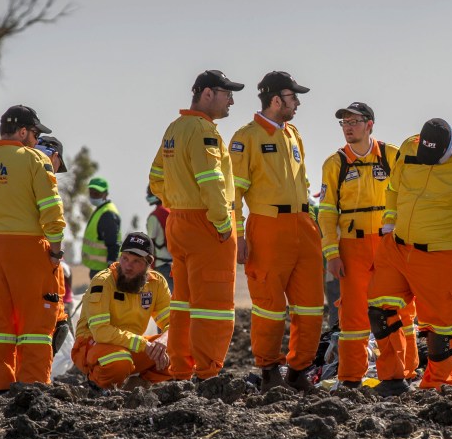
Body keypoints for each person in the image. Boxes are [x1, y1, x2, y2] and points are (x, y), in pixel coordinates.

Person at [367, 118, 452, 397]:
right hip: (396, 249)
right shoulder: (409, 147)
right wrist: (388, 227)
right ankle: (393, 379)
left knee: (442, 327)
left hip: (442, 256)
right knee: (380, 310)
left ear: (450, 147)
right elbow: (394, 189)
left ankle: (438, 385)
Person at [0, 104, 65, 392]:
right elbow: (52, 211)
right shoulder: (34, 161)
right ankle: (33, 386)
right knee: (35, 321)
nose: (34, 140)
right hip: (26, 248)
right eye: (33, 133)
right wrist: (55, 251)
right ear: (21, 131)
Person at [230, 71, 323, 392]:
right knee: (269, 305)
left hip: (304, 227)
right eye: (292, 97)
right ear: (274, 100)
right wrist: (239, 237)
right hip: (266, 228)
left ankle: (299, 372)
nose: (297, 103)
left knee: (311, 305)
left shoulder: (294, 134)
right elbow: (234, 196)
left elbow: (304, 184)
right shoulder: (246, 137)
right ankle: (269, 371)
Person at [148, 70, 241, 381]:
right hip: (206, 224)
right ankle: (207, 372)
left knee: (184, 302)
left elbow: (156, 178)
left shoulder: (175, 128)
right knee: (212, 303)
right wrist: (222, 222)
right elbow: (211, 181)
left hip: (180, 221)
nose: (231, 100)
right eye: (226, 93)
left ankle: (180, 369)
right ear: (206, 94)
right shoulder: (204, 132)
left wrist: (175, 201)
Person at [317, 102, 417, 388]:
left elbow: (410, 197)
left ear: (369, 125)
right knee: (353, 313)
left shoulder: (392, 156)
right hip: (352, 247)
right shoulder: (335, 163)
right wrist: (332, 253)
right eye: (344, 122)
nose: (348, 127)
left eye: (354, 121)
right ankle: (350, 378)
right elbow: (326, 213)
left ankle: (400, 374)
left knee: (397, 310)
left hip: (389, 245)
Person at [71, 232, 172, 390]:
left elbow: (173, 323)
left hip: (131, 347)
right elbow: (101, 332)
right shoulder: (103, 281)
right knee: (120, 360)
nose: (128, 266)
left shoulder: (156, 283)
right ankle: (97, 384)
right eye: (124, 258)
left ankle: (139, 385)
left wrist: (163, 341)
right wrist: (144, 344)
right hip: (93, 346)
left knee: (181, 345)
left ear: (149, 264)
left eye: (136, 261)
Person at [36, 135, 74, 350]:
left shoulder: (17, 166)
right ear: (56, 156)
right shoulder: (43, 171)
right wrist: (56, 254)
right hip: (41, 253)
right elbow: (53, 218)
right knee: (54, 320)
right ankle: (37, 376)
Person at [81, 177, 121, 279]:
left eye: (97, 193)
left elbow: (113, 244)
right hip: (98, 269)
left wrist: (111, 269)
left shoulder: (108, 214)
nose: (93, 196)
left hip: (103, 271)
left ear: (105, 194)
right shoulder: (101, 210)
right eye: (91, 192)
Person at [145, 186, 174, 293]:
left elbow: (149, 244)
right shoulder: (172, 211)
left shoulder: (155, 216)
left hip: (162, 266)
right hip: (176, 264)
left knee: (166, 300)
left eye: (150, 193)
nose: (147, 196)